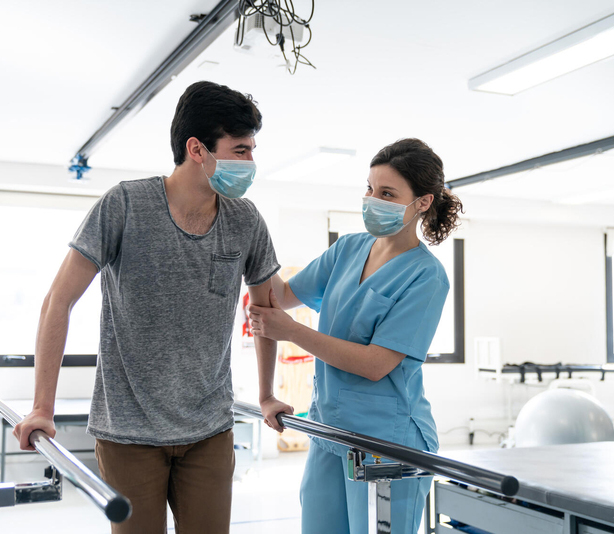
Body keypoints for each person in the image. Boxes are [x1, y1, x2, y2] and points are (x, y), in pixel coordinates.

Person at [14, 81, 293, 534]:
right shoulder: (125, 205)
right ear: (197, 149)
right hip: (129, 431)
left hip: (209, 428)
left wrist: (264, 394)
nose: (251, 164)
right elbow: (58, 301)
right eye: (240, 151)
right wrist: (41, 405)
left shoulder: (245, 220)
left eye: (252, 151)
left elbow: (265, 312)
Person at [249, 138, 463, 534]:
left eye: (387, 193)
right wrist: (252, 243)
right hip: (331, 432)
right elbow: (280, 295)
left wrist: (293, 332)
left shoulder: (426, 277)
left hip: (385, 441)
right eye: (369, 188)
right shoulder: (348, 248)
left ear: (422, 203)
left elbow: (375, 364)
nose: (372, 199)